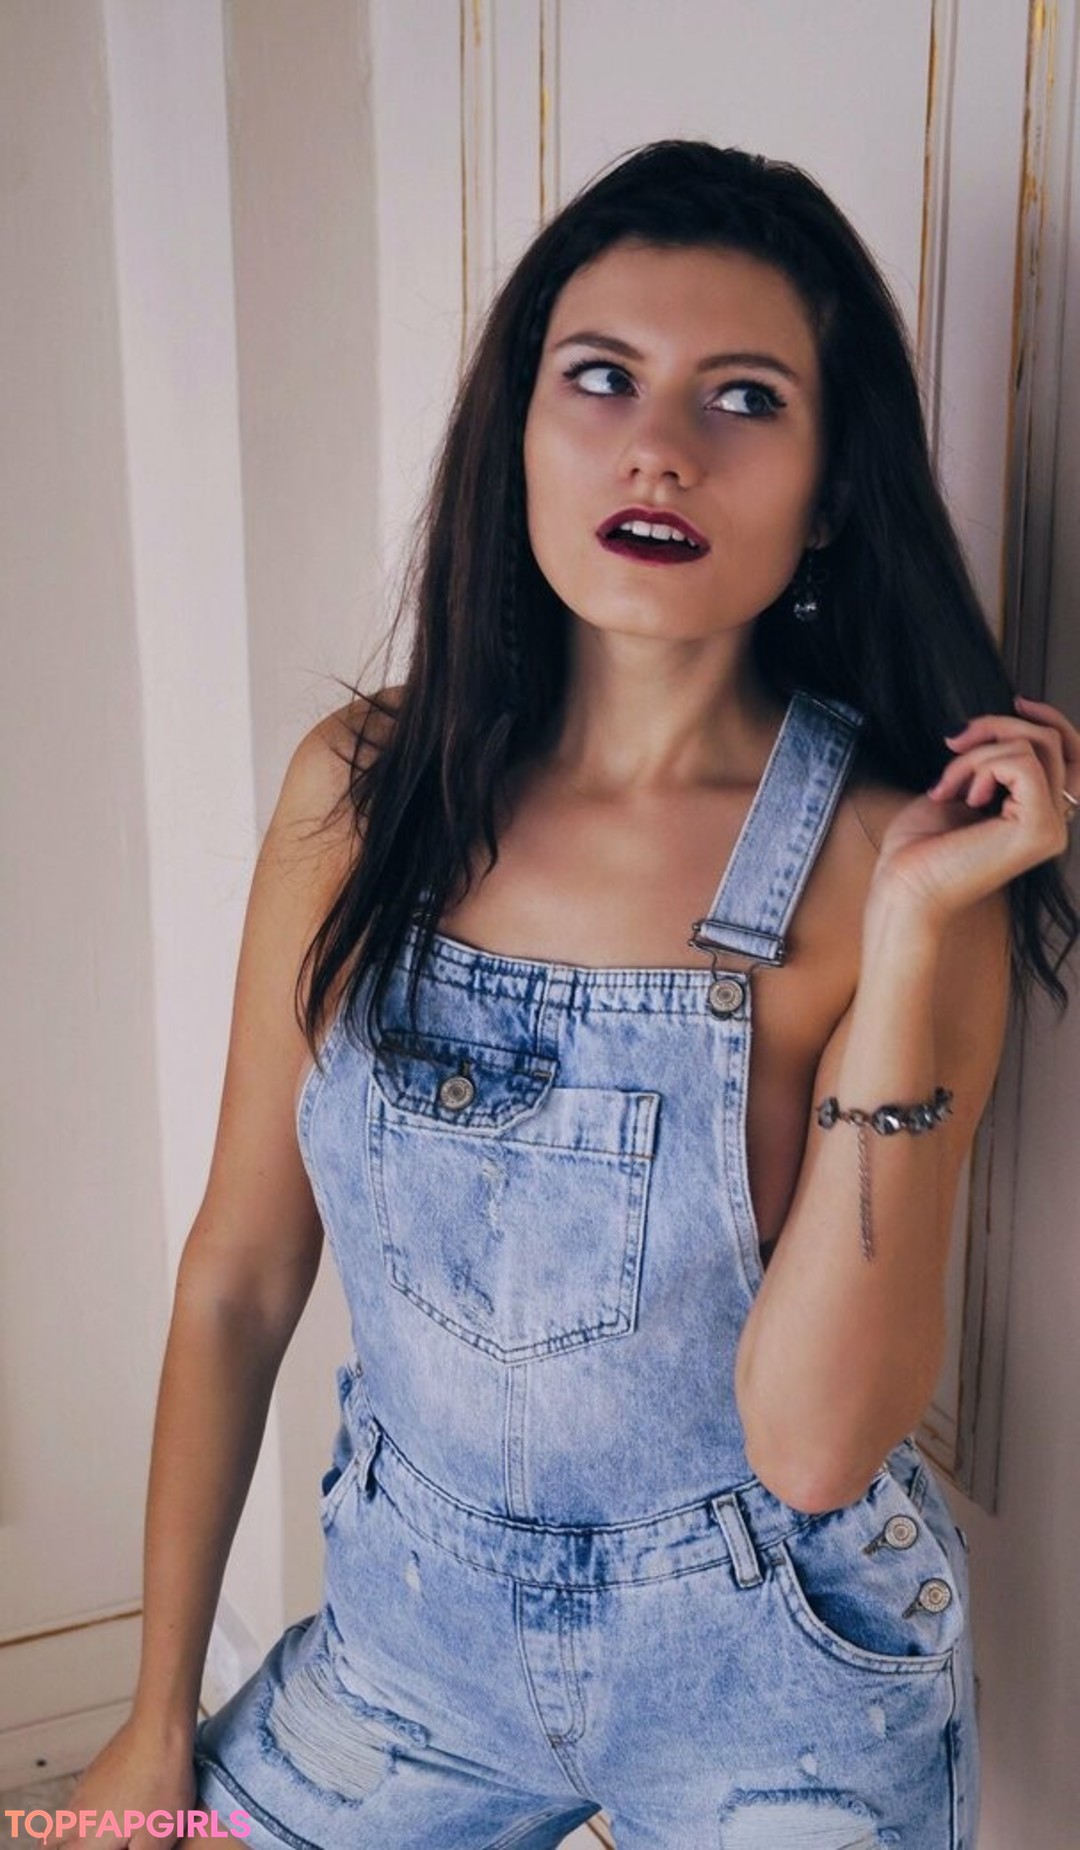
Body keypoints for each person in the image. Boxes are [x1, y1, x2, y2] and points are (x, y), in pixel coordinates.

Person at [64, 140, 1078, 1850]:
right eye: (601, 377)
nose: (659, 445)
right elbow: (238, 1273)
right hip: (409, 1654)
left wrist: (909, 940)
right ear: (518, 433)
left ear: (833, 489)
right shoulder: (359, 794)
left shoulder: (889, 868)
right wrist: (154, 1715)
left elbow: (816, 1447)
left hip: (780, 1677)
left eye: (744, 398)